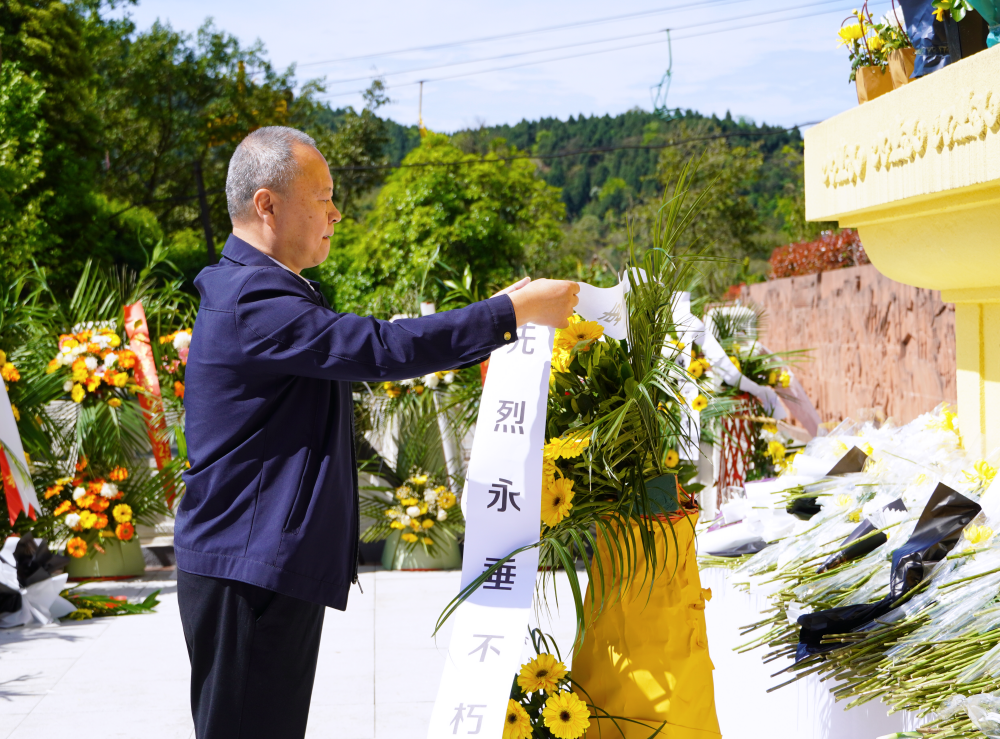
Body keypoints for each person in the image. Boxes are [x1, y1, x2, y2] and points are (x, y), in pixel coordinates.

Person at [174, 126, 579, 739]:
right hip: (245, 570)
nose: (336, 213)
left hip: (255, 563)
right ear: (267, 205)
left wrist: (500, 310)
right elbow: (378, 348)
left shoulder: (263, 288)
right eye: (323, 197)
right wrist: (510, 314)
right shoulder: (252, 298)